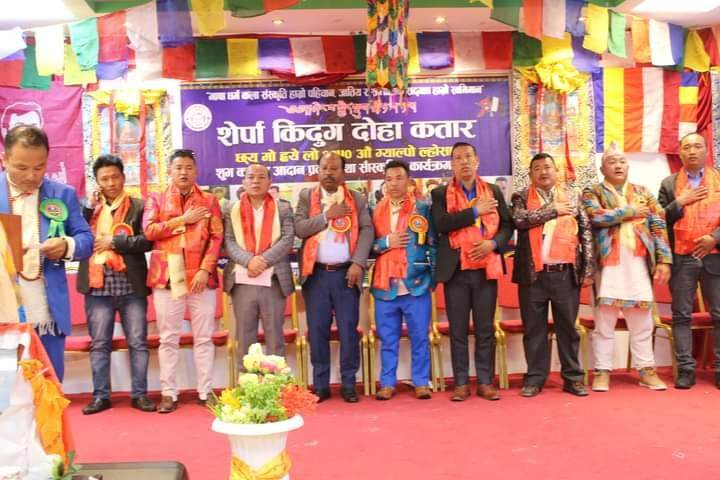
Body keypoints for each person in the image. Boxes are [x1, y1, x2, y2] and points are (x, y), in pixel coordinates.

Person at [0, 125, 93, 380]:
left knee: (49, 388)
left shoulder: (62, 194)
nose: (31, 176)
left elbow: (86, 240)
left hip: (47, 312)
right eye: (21, 167)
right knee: (5, 390)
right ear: (4, 159)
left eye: (39, 167)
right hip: (4, 311)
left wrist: (67, 246)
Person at [583, 145, 670, 392]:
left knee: (642, 321)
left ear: (628, 166)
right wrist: (631, 212)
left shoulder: (643, 192)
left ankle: (646, 369)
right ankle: (602, 371)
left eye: (621, 161)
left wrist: (664, 260)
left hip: (638, 262)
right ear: (602, 168)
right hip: (606, 264)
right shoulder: (593, 192)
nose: (618, 165)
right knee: (604, 322)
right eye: (612, 161)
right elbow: (594, 217)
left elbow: (658, 224)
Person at [431, 142, 514, 402]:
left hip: (485, 268)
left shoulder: (492, 191)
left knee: (484, 328)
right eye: (458, 158)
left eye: (468, 157)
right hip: (456, 270)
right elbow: (442, 224)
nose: (464, 162)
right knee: (457, 329)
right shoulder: (440, 193)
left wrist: (494, 244)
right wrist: (476, 211)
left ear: (477, 161)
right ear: (452, 164)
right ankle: (461, 383)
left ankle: (486, 381)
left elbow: (507, 225)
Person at [143, 149, 223, 413]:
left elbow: (217, 237)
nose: (183, 172)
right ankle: (169, 393)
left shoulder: (209, 200)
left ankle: (205, 391)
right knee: (168, 338)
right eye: (178, 167)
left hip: (200, 276)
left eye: (188, 167)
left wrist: (205, 269)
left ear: (196, 171)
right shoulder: (156, 198)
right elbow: (149, 231)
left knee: (204, 337)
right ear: (170, 170)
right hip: (168, 276)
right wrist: (182, 220)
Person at [77, 155, 155, 414]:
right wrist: (88, 208)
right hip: (97, 287)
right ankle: (101, 396)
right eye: (105, 179)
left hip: (131, 287)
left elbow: (147, 241)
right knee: (100, 343)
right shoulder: (89, 210)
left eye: (115, 177)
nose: (110, 183)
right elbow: (76, 233)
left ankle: (140, 395)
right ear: (97, 182)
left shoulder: (139, 206)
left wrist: (114, 242)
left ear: (123, 177)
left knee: (138, 343)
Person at [510, 153, 593, 397]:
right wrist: (553, 210)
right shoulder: (521, 196)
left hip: (565, 273)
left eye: (547, 167)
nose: (543, 172)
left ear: (556, 171)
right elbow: (520, 220)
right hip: (532, 275)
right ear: (530, 174)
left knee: (568, 329)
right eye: (537, 168)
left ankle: (573, 378)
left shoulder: (573, 196)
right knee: (534, 330)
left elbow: (586, 232)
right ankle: (535, 379)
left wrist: (588, 269)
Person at [295, 152, 374, 403]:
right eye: (324, 168)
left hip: (346, 275)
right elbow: (299, 229)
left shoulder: (356, 198)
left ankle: (349, 383)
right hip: (316, 275)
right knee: (317, 331)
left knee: (349, 331)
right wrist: (327, 216)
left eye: (334, 168)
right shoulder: (307, 196)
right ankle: (320, 385)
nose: (328, 173)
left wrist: (358, 263)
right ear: (318, 170)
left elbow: (367, 231)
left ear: (343, 172)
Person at [658, 132, 720, 389]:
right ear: (680, 153)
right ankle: (685, 370)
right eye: (687, 147)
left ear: (706, 150)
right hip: (682, 257)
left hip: (714, 256)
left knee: (719, 313)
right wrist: (680, 202)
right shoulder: (669, 183)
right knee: (681, 315)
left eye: (697, 146)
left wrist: (714, 238)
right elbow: (658, 220)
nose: (692, 151)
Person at [371, 160, 436, 401]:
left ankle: (421, 382)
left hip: (416, 284)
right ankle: (387, 383)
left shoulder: (423, 209)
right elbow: (368, 246)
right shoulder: (375, 211)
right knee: (388, 339)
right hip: (385, 286)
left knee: (420, 337)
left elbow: (433, 245)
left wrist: (433, 277)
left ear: (409, 181)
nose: (394, 183)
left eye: (399, 178)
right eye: (389, 179)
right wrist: (387, 242)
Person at [223, 164, 295, 365]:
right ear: (243, 181)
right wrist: (249, 260)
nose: (256, 181)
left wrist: (262, 260)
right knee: (245, 338)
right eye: (251, 177)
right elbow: (228, 241)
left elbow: (287, 238)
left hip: (273, 280)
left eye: (261, 177)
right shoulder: (231, 209)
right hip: (242, 281)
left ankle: (276, 382)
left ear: (270, 182)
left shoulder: (283, 208)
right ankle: (248, 383)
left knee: (275, 338)